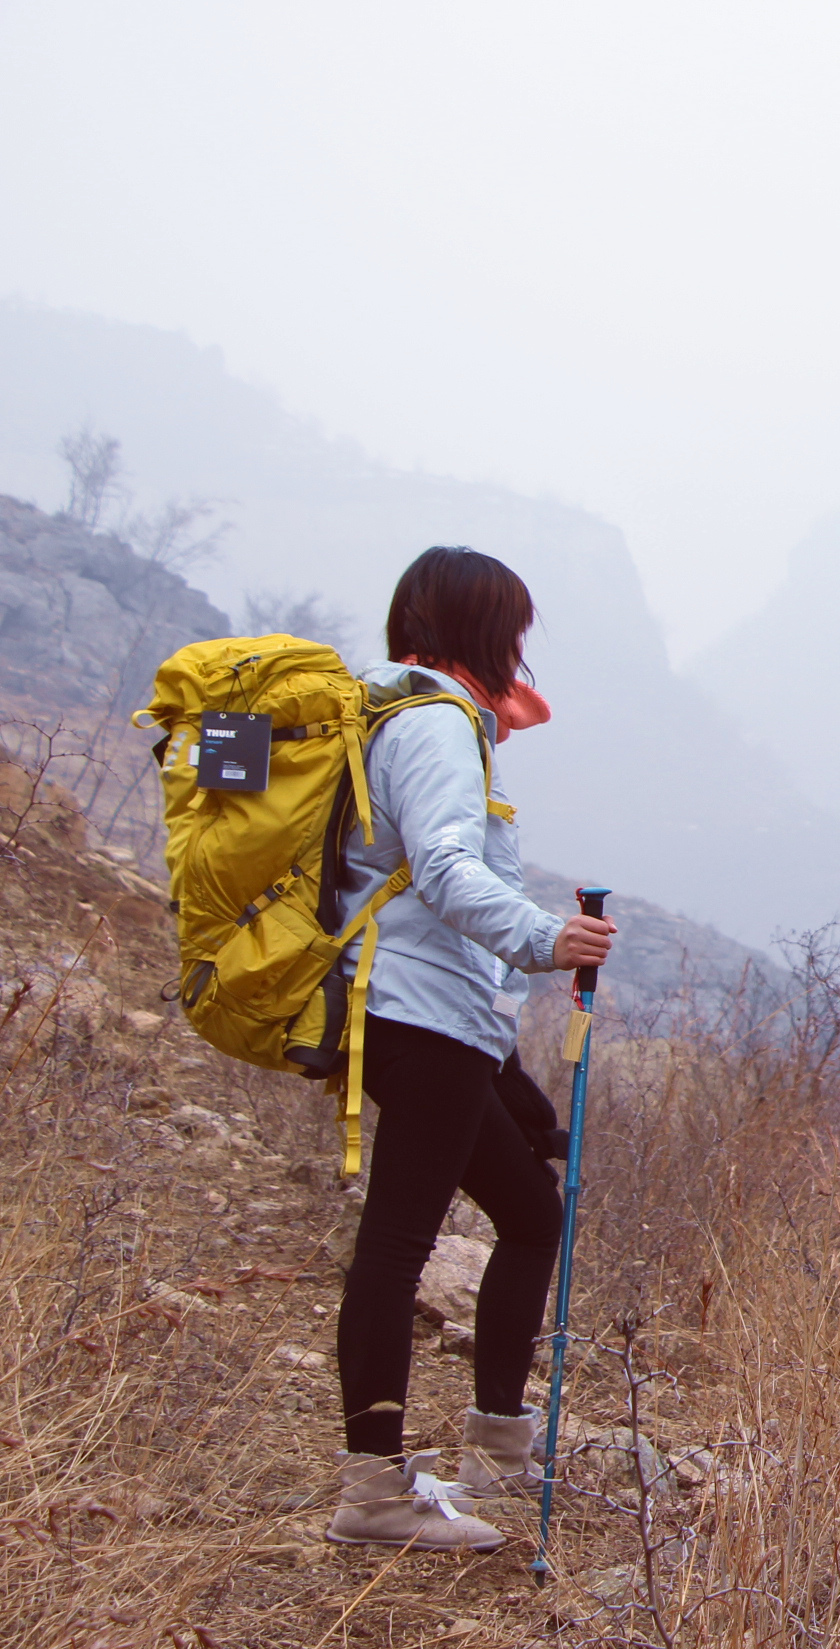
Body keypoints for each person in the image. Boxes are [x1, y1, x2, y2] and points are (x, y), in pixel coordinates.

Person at [322, 546, 618, 1550]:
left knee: (531, 1212)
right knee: (398, 1244)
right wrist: (547, 938)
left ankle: (498, 1443)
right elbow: (445, 869)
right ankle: (373, 1493)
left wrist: (515, 1081)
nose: (522, 647)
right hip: (420, 1016)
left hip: (426, 1015)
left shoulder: (393, 711)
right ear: (481, 629)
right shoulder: (438, 722)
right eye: (514, 628)